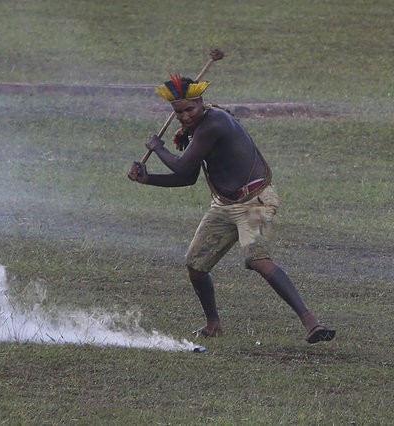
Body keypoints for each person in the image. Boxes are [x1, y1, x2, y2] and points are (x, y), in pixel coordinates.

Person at [127, 74, 335, 344]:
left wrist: (157, 148)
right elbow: (187, 177)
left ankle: (312, 324)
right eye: (179, 112)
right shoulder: (196, 128)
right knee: (196, 265)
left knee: (257, 259)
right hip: (224, 204)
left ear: (201, 102)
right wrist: (148, 179)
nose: (185, 116)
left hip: (256, 200)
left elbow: (180, 166)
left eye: (190, 109)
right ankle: (213, 325)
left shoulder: (215, 123)